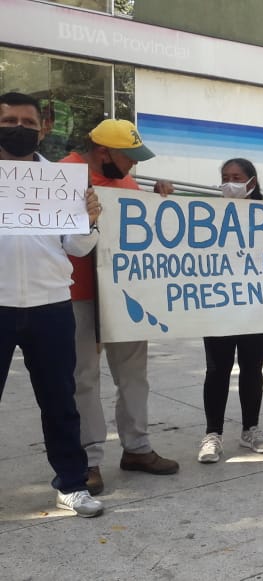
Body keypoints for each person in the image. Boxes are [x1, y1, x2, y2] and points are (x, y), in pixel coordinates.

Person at [60, 118, 179, 494]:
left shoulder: (127, 181)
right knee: (84, 377)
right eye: (129, 157)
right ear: (102, 152)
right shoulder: (63, 174)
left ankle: (137, 447)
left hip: (125, 295)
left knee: (133, 374)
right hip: (78, 294)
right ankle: (89, 459)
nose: (135, 165)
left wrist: (157, 203)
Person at [0, 92, 103, 516]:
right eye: (9, 120)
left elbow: (78, 246)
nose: (19, 128)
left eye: (27, 121)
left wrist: (90, 217)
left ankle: (72, 483)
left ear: (42, 128)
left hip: (51, 305)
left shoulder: (61, 179)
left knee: (60, 400)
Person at [197, 159, 263, 463]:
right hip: (219, 304)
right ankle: (212, 434)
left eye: (237, 177)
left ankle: (250, 429)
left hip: (257, 304)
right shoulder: (207, 216)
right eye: (225, 177)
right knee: (217, 369)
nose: (230, 182)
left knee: (252, 368)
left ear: (251, 182)